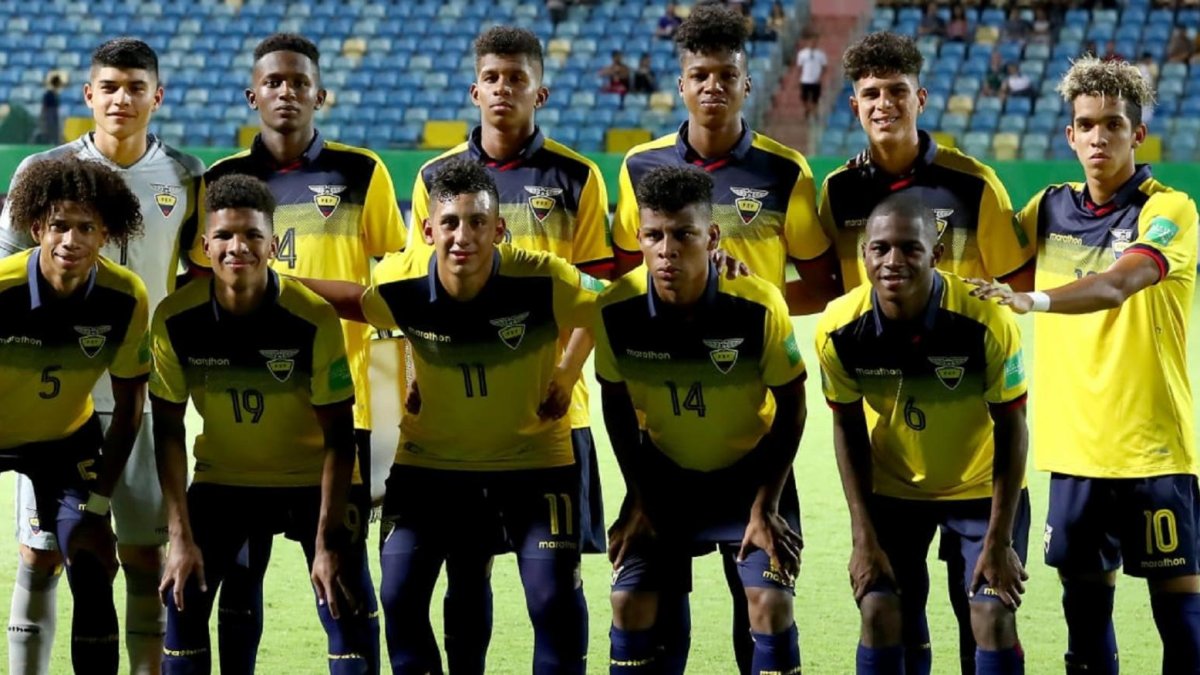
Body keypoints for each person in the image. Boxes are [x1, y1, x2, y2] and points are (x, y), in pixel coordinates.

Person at [302, 158, 599, 674]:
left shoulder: (544, 277)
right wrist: (264, 276)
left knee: (552, 598)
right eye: (450, 223)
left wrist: (568, 370)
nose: (463, 236)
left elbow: (611, 306)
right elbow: (361, 307)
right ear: (427, 231)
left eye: (478, 222)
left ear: (499, 229)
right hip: (430, 466)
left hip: (533, 464)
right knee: (399, 594)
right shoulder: (401, 278)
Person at [610, 5, 840, 670]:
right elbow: (628, 275)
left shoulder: (784, 170)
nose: (712, 86)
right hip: (664, 421)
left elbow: (823, 284)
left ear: (747, 83)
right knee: (655, 598)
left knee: (758, 600)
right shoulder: (640, 166)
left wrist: (749, 310)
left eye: (726, 75)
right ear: (681, 84)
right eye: (700, 75)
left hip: (753, 417)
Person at [971, 56, 1200, 675]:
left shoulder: (1169, 210)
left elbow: (1119, 284)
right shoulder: (1049, 209)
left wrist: (1036, 300)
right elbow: (984, 257)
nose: (1100, 137)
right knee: (1086, 621)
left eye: (1114, 124)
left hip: (1154, 450)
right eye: (1087, 125)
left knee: (1183, 625)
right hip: (1075, 454)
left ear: (1137, 133)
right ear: (1070, 135)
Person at [819, 31, 1036, 674]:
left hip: (969, 412)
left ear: (921, 98)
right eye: (870, 94)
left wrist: (976, 320)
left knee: (983, 614)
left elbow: (1015, 282)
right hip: (894, 439)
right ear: (855, 106)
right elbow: (830, 286)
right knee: (895, 612)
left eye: (897, 91)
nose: (883, 104)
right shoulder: (839, 190)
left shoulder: (973, 184)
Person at [403, 25, 612, 674]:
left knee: (554, 583)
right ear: (474, 91)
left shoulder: (577, 176)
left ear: (539, 92)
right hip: (461, 420)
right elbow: (413, 291)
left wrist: (565, 377)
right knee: (466, 570)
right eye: (491, 78)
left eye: (516, 78)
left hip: (551, 415)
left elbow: (595, 293)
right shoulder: (435, 177)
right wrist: (412, 376)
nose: (503, 89)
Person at [196, 32, 403, 672]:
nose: (286, 92)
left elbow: (387, 289)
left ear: (321, 94)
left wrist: (281, 289)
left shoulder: (361, 171)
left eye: (299, 82)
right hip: (247, 406)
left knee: (342, 571)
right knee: (240, 576)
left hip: (343, 407)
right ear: (252, 95)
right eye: (273, 82)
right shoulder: (219, 180)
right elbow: (206, 287)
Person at [0, 38, 204, 675]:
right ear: (88, 95)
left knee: (143, 554)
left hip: (142, 390)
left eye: (136, 87)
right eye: (109, 87)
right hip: (56, 399)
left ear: (157, 96)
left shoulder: (186, 174)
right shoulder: (43, 170)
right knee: (42, 554)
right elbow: (9, 265)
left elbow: (197, 275)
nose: (122, 99)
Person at [153, 174, 377, 675]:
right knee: (181, 597)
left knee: (343, 598)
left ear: (273, 246)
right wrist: (180, 537)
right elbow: (166, 430)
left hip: (311, 482)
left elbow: (340, 437)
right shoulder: (174, 318)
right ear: (205, 246)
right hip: (224, 481)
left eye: (252, 235)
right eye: (224, 236)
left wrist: (327, 542)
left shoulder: (313, 317)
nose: (238, 247)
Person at [599, 166, 807, 675]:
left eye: (683, 235)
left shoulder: (758, 304)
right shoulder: (615, 309)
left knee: (769, 604)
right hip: (665, 477)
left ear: (712, 236)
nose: (667, 250)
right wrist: (639, 496)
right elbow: (615, 403)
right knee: (629, 601)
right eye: (654, 236)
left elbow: (793, 405)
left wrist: (766, 504)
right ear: (639, 237)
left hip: (752, 476)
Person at [0, 156, 150, 675]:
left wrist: (99, 504)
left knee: (92, 565)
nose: (71, 239)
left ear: (106, 234)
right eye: (59, 225)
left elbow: (130, 407)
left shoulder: (126, 296)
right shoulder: (1, 289)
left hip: (65, 441)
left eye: (86, 227)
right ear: (37, 228)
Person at [795, 35, 828, 120]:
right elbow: (799, 67)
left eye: (814, 41)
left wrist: (820, 77)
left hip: (816, 80)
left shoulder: (820, 54)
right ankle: (807, 110)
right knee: (804, 98)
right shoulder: (802, 54)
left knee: (815, 99)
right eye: (810, 41)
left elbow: (824, 67)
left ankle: (814, 114)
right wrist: (798, 78)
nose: (812, 43)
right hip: (805, 80)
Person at [34, 73, 62, 145]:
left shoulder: (55, 95)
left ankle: (55, 144)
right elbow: (44, 107)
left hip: (53, 116)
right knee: (49, 133)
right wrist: (43, 118)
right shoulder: (49, 94)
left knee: (55, 134)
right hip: (49, 116)